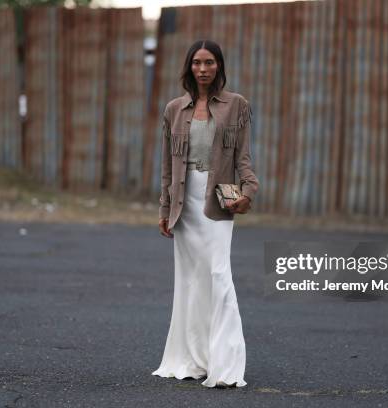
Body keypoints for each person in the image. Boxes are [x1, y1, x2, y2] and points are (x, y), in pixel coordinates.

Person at [151, 39, 259, 389]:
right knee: (190, 282)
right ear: (188, 67)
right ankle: (193, 360)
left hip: (217, 201)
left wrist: (249, 190)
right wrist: (165, 210)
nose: (203, 69)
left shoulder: (236, 105)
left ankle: (225, 365)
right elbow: (168, 167)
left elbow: (242, 157)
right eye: (197, 62)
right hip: (184, 204)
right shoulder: (174, 109)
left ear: (219, 66)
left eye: (209, 62)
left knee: (218, 275)